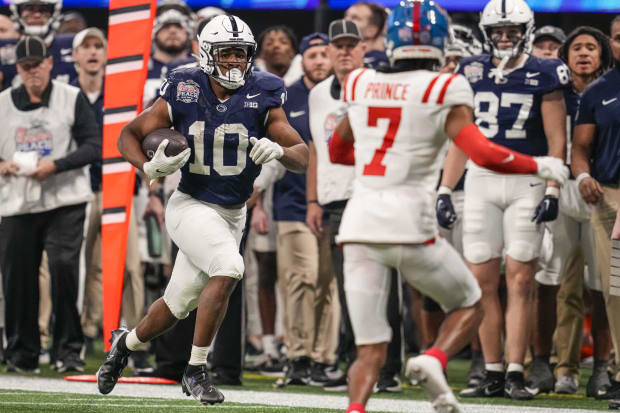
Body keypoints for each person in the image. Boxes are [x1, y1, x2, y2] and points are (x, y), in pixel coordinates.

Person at [328, 1, 568, 411]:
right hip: (409, 225)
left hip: (359, 225)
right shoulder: (446, 86)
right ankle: (433, 359)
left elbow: (337, 150)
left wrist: (378, 160)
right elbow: (484, 153)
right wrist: (540, 164)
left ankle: (357, 408)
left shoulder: (358, 82)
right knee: (472, 302)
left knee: (370, 351)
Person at [96, 15, 308, 405]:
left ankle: (124, 344)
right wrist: (145, 167)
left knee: (177, 304)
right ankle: (195, 370)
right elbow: (129, 134)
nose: (234, 62)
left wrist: (279, 150)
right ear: (207, 54)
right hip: (190, 204)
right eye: (226, 53)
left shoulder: (264, 90)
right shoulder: (184, 86)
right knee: (229, 268)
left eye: (241, 54)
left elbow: (302, 154)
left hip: (233, 213)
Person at [448, 0, 569, 400]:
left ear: (526, 31)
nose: (504, 38)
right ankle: (493, 371)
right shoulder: (470, 70)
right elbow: (460, 138)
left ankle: (517, 371)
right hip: (481, 179)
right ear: (487, 33)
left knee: (520, 279)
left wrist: (553, 187)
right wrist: (446, 189)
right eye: (497, 31)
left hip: (529, 178)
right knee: (481, 282)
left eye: (511, 31)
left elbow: (557, 139)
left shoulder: (546, 71)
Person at [307, 19, 404, 393]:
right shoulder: (318, 95)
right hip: (335, 199)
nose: (345, 50)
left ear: (365, 49)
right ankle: (354, 363)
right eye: (339, 45)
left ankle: (390, 368)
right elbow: (317, 148)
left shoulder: (381, 85)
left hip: (374, 192)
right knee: (348, 288)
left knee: (383, 285)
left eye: (352, 44)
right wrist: (314, 198)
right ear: (329, 51)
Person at [0, 35, 100, 373]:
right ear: (18, 69)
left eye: (37, 65)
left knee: (64, 269)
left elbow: (92, 145)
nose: (32, 73)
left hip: (64, 198)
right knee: (17, 278)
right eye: (26, 67)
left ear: (49, 63)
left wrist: (56, 165)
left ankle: (68, 350)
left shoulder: (70, 98)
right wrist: (3, 165)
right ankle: (21, 352)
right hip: (18, 202)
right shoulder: (3, 103)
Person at [530, 26, 612, 396]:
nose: (583, 53)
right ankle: (549, 364)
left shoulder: (611, 90)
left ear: (602, 54)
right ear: (565, 56)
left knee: (604, 285)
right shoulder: (552, 92)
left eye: (590, 47)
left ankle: (603, 369)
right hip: (558, 189)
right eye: (576, 47)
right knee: (551, 280)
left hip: (602, 193)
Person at [253, 32, 337, 386]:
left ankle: (324, 358)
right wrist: (256, 191)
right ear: (302, 59)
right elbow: (273, 151)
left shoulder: (346, 94)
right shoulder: (285, 96)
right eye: (312, 54)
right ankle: (298, 356)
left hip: (334, 204)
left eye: (324, 54)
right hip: (291, 203)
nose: (319, 60)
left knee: (327, 285)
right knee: (298, 283)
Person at [571, 15, 620, 406]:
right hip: (611, 197)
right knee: (617, 291)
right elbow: (580, 147)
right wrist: (583, 175)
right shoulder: (598, 91)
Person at [69, 27, 106, 355]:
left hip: (115, 190)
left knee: (105, 267)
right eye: (87, 46)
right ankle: (68, 331)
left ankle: (101, 329)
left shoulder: (119, 94)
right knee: (75, 264)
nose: (93, 52)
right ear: (75, 55)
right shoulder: (65, 95)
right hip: (75, 189)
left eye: (99, 46)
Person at [1, 0, 76, 90]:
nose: (37, 15)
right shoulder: (3, 49)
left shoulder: (73, 44)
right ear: (17, 11)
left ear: (54, 12)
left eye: (43, 9)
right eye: (30, 9)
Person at [344, 1, 389, 69]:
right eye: (346, 16)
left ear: (371, 30)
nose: (345, 21)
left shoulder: (384, 65)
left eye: (355, 18)